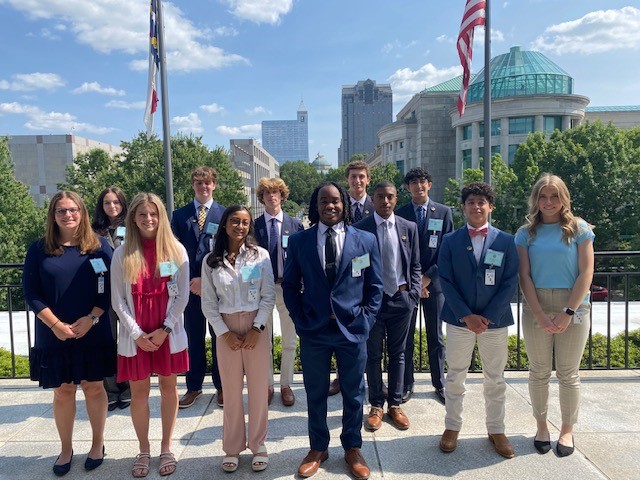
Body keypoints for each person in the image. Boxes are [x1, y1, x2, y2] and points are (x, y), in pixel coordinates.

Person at [283, 181, 382, 480]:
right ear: (316, 206)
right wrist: (300, 320)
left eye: (336, 200)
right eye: (324, 200)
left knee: (354, 393)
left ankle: (352, 447)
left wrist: (365, 320)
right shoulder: (300, 241)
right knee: (315, 392)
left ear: (345, 204)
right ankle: (318, 448)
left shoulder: (365, 240)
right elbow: (289, 285)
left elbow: (374, 287)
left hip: (352, 330)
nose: (330, 206)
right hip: (314, 330)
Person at [23, 190, 115, 476]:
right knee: (63, 392)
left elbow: (111, 288)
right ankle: (66, 448)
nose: (68, 215)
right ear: (53, 214)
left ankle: (98, 444)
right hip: (54, 332)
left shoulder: (99, 247)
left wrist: (92, 318)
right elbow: (31, 292)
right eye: (61, 210)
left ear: (82, 212)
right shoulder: (38, 249)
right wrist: (55, 325)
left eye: (73, 209)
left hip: (93, 329)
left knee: (93, 387)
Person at [437, 182, 519, 458]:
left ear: (490, 206)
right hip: (459, 321)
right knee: (455, 376)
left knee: (495, 378)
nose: (476, 206)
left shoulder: (507, 241)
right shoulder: (450, 241)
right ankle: (452, 426)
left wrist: (487, 317)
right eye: (471, 202)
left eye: (482, 202)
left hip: (494, 322)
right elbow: (445, 281)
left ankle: (496, 429)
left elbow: (509, 282)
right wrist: (466, 315)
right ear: (463, 207)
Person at [111, 192, 190, 477]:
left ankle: (166, 446)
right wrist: (136, 333)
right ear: (133, 217)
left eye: (154, 214)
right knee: (139, 392)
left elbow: (181, 297)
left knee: (169, 389)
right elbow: (117, 300)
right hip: (136, 335)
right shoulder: (122, 253)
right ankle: (144, 449)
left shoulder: (176, 250)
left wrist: (165, 329)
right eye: (142, 214)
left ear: (161, 217)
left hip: (166, 331)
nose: (148, 219)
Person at [515, 174, 595, 457]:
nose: (549, 202)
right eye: (543, 196)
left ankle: (567, 430)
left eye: (554, 196)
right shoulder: (526, 233)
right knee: (538, 372)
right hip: (535, 303)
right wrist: (538, 313)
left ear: (563, 198)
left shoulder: (579, 229)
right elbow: (523, 275)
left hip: (573, 305)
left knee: (568, 374)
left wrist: (567, 313)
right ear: (536, 199)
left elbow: (586, 273)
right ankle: (541, 427)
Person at [201, 205, 276, 473]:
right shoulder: (211, 259)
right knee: (231, 392)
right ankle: (232, 447)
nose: (240, 227)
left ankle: (259, 445)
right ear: (224, 224)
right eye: (234, 221)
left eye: (245, 223)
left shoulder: (260, 256)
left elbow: (268, 296)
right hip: (226, 328)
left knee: (258, 390)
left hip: (257, 326)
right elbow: (209, 303)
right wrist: (224, 332)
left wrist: (257, 328)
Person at [353, 181, 421, 431]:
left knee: (399, 353)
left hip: (401, 299)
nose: (385, 201)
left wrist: (412, 294)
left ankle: (395, 404)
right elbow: (356, 268)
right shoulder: (361, 228)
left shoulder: (408, 227)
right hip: (373, 302)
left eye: (390, 197)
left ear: (395, 198)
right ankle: (376, 405)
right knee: (373, 355)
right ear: (373, 198)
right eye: (380, 197)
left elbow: (415, 263)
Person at [395, 167, 453, 404]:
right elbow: (398, 252)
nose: (418, 186)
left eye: (422, 182)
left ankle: (439, 383)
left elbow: (446, 250)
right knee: (406, 337)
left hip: (433, 283)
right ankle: (407, 384)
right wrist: (414, 283)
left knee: (436, 336)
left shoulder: (443, 212)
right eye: (413, 183)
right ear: (407, 187)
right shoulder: (400, 213)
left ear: (429, 184)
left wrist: (427, 279)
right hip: (408, 286)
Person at [171, 166, 225, 408]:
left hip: (216, 288)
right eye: (198, 183)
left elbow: (227, 251)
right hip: (189, 287)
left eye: (207, 183)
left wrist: (207, 280)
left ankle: (222, 385)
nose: (203, 187)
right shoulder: (179, 215)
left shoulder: (225, 214)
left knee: (218, 337)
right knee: (193, 336)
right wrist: (190, 281)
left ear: (214, 185)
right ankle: (194, 386)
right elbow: (172, 252)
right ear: (193, 186)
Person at [253, 177, 304, 406]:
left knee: (289, 338)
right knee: (264, 339)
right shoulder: (254, 226)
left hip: (288, 286)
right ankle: (267, 385)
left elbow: (303, 258)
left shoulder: (295, 225)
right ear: (261, 197)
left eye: (276, 192)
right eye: (267, 193)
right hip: (263, 288)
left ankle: (285, 384)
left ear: (282, 196)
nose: (272, 196)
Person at [329, 160, 375, 397]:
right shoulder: (340, 204)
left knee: (370, 335)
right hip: (344, 279)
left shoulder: (376, 205)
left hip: (367, 275)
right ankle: (340, 376)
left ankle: (373, 380)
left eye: (361, 176)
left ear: (368, 179)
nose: (357, 181)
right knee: (341, 331)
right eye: (353, 177)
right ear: (347, 180)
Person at [92, 186, 132, 411]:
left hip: (127, 293)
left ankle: (127, 387)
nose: (112, 206)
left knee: (128, 340)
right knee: (107, 342)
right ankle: (110, 390)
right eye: (107, 203)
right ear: (102, 205)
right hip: (103, 294)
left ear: (123, 203)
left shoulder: (133, 225)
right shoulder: (93, 230)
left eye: (116, 202)